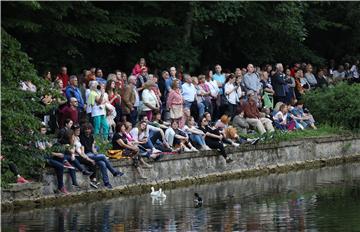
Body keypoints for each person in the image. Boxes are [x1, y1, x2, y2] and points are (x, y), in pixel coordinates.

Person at [79, 123, 124, 189]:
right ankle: (114, 172)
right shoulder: (81, 137)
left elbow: (92, 148)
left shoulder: (91, 136)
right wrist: (90, 157)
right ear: (83, 130)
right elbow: (83, 151)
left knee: (103, 163)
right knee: (103, 156)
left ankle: (106, 183)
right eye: (86, 129)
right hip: (86, 155)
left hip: (91, 154)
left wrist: (95, 152)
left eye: (89, 129)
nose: (88, 130)